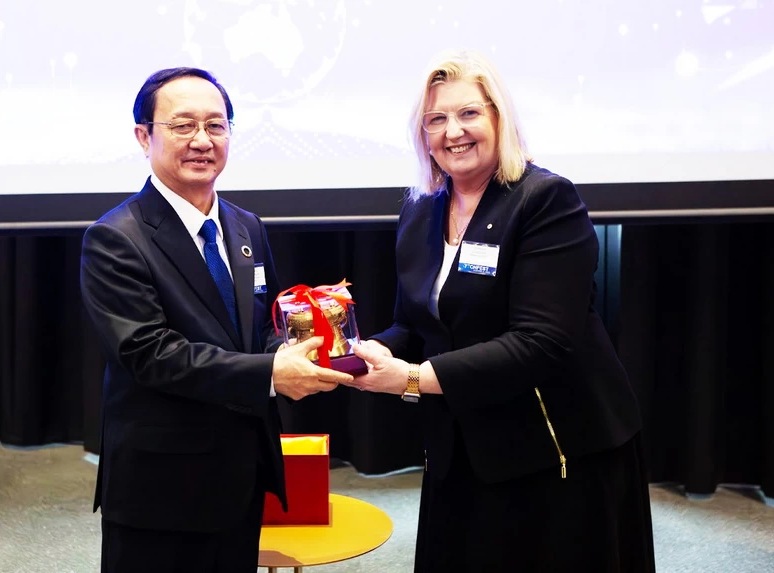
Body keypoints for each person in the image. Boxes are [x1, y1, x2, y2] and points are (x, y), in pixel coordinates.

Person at [348, 49, 656, 572]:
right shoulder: (421, 209)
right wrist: (368, 350)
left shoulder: (546, 200)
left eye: (468, 113)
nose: (453, 132)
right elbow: (414, 323)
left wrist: (412, 378)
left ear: (499, 118)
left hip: (554, 447)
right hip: (461, 443)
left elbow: (540, 342)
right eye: (436, 119)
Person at [80, 67, 353, 573]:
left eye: (216, 125)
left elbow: (258, 328)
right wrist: (271, 373)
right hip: (160, 488)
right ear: (143, 136)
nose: (202, 141)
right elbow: (151, 354)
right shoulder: (115, 238)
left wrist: (301, 349)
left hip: (241, 474)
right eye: (183, 125)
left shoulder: (245, 226)